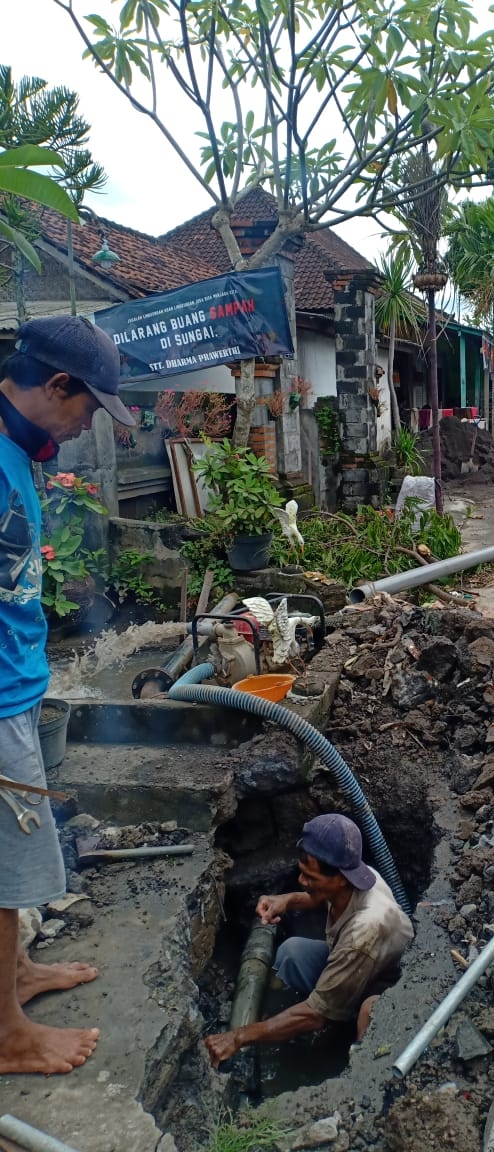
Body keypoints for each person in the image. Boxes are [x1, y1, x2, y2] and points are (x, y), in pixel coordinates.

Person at [0, 315, 135, 1076]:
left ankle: (13, 979)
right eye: (89, 408)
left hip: (13, 685)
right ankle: (6, 1034)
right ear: (57, 386)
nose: (88, 428)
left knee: (13, 861)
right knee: (3, 869)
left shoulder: (18, 452)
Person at [204, 814, 414, 1067]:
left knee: (365, 1012)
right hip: (356, 960)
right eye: (303, 874)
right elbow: (321, 897)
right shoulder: (357, 875)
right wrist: (287, 900)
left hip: (383, 984)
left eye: (311, 878)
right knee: (292, 954)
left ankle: (349, 1052)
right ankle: (322, 1010)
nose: (302, 881)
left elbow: (316, 1016)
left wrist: (238, 1037)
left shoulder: (365, 929)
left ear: (341, 878)